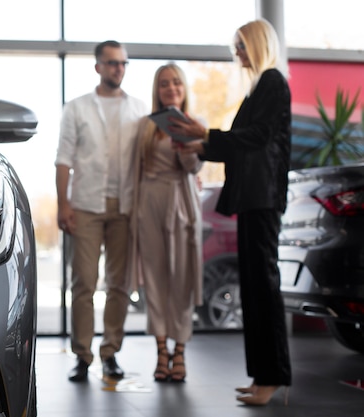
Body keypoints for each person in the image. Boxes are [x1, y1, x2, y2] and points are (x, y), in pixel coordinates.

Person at [173, 18, 292, 405]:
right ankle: (261, 377)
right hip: (252, 199)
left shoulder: (273, 82)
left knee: (264, 288)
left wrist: (204, 136)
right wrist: (200, 145)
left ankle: (271, 378)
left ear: (257, 45)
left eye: (241, 45)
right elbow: (238, 144)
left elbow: (256, 138)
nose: (236, 53)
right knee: (254, 289)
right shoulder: (259, 88)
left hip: (264, 199)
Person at [55, 40, 147, 382]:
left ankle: (110, 353)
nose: (118, 68)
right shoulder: (76, 108)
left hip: (125, 207)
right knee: (84, 283)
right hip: (86, 205)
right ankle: (82, 354)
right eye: (111, 63)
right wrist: (63, 203)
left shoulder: (139, 109)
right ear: (98, 67)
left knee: (120, 285)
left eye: (122, 63)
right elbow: (63, 158)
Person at [129, 62, 203, 383]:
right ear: (157, 91)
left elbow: (194, 169)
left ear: (184, 88)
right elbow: (136, 170)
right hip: (150, 204)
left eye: (176, 83)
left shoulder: (195, 125)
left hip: (182, 204)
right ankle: (162, 351)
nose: (171, 88)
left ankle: (181, 351)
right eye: (164, 84)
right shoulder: (145, 126)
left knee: (183, 282)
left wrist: (186, 147)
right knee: (156, 281)